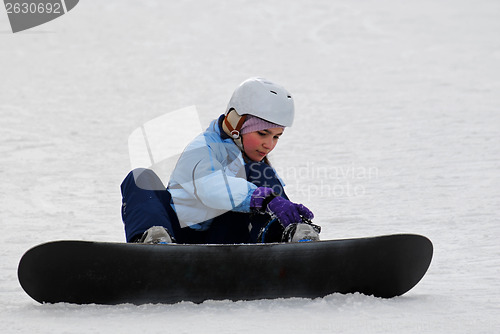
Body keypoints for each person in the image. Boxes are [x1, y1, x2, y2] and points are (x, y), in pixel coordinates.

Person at [120, 77, 320, 244]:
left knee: (262, 174)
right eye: (262, 133)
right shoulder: (203, 147)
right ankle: (154, 240)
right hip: (179, 237)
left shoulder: (257, 168)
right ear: (236, 123)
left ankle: (289, 235)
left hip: (223, 238)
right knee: (140, 177)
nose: (269, 144)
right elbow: (210, 188)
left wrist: (281, 206)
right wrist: (264, 199)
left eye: (276, 136)